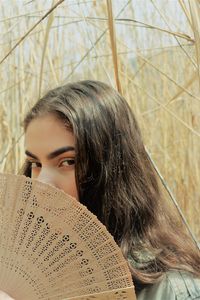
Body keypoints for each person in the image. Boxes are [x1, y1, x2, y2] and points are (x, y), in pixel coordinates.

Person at [16, 80, 200, 299]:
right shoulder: (30, 273)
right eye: (36, 164)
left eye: (68, 162)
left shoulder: (171, 291)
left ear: (112, 171)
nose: (41, 184)